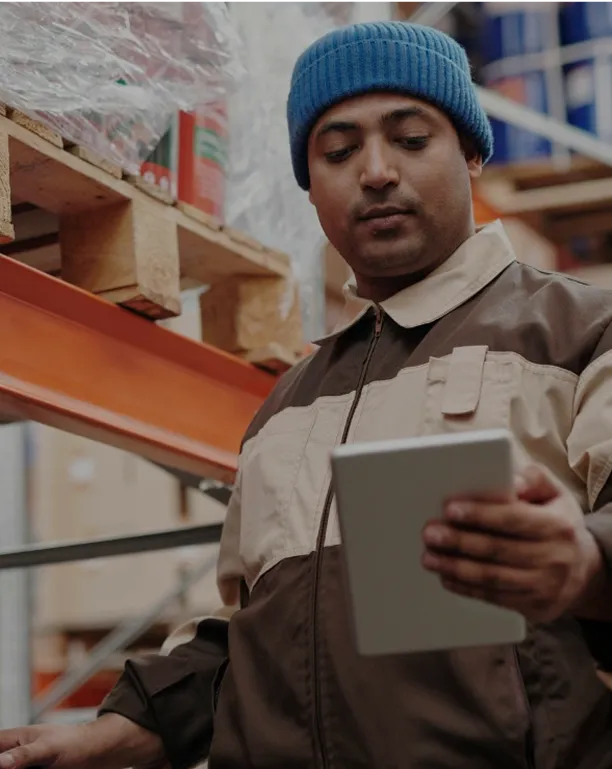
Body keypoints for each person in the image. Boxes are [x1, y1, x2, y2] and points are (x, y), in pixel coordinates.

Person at [2, 20, 612, 769]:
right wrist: (115, 732)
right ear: (310, 185)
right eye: (339, 152)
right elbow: (252, 635)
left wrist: (587, 560)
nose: (377, 172)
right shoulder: (286, 407)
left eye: (411, 139)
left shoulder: (581, 332)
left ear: (472, 154)